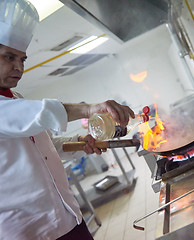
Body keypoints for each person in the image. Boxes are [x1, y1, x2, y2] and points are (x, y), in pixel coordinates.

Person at [0, 0, 135, 239]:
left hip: (67, 215)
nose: (18, 67)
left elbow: (44, 147)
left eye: (22, 60)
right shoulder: (14, 108)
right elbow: (38, 113)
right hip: (29, 230)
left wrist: (78, 141)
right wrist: (89, 108)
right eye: (9, 57)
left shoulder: (15, 98)